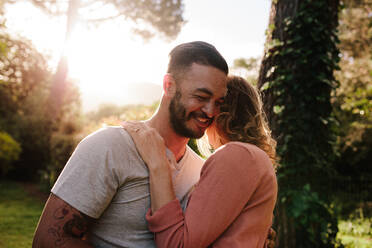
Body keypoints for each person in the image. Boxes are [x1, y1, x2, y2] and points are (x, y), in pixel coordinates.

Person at [33, 41, 275, 248]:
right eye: (201, 97)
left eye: (219, 102)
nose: (211, 112)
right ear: (169, 86)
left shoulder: (204, 170)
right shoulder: (108, 146)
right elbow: (49, 240)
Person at [123, 75, 278, 248]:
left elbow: (178, 244)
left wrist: (158, 165)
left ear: (222, 111)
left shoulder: (236, 155)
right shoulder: (253, 158)